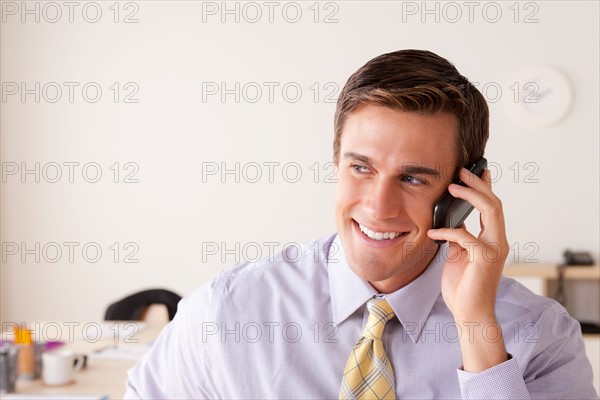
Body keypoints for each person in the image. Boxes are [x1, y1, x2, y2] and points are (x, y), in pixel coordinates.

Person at [124, 50, 598, 399]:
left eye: (412, 178)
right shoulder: (227, 312)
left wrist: (476, 328)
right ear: (335, 161)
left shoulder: (540, 336)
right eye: (361, 167)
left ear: (465, 190)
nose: (378, 206)